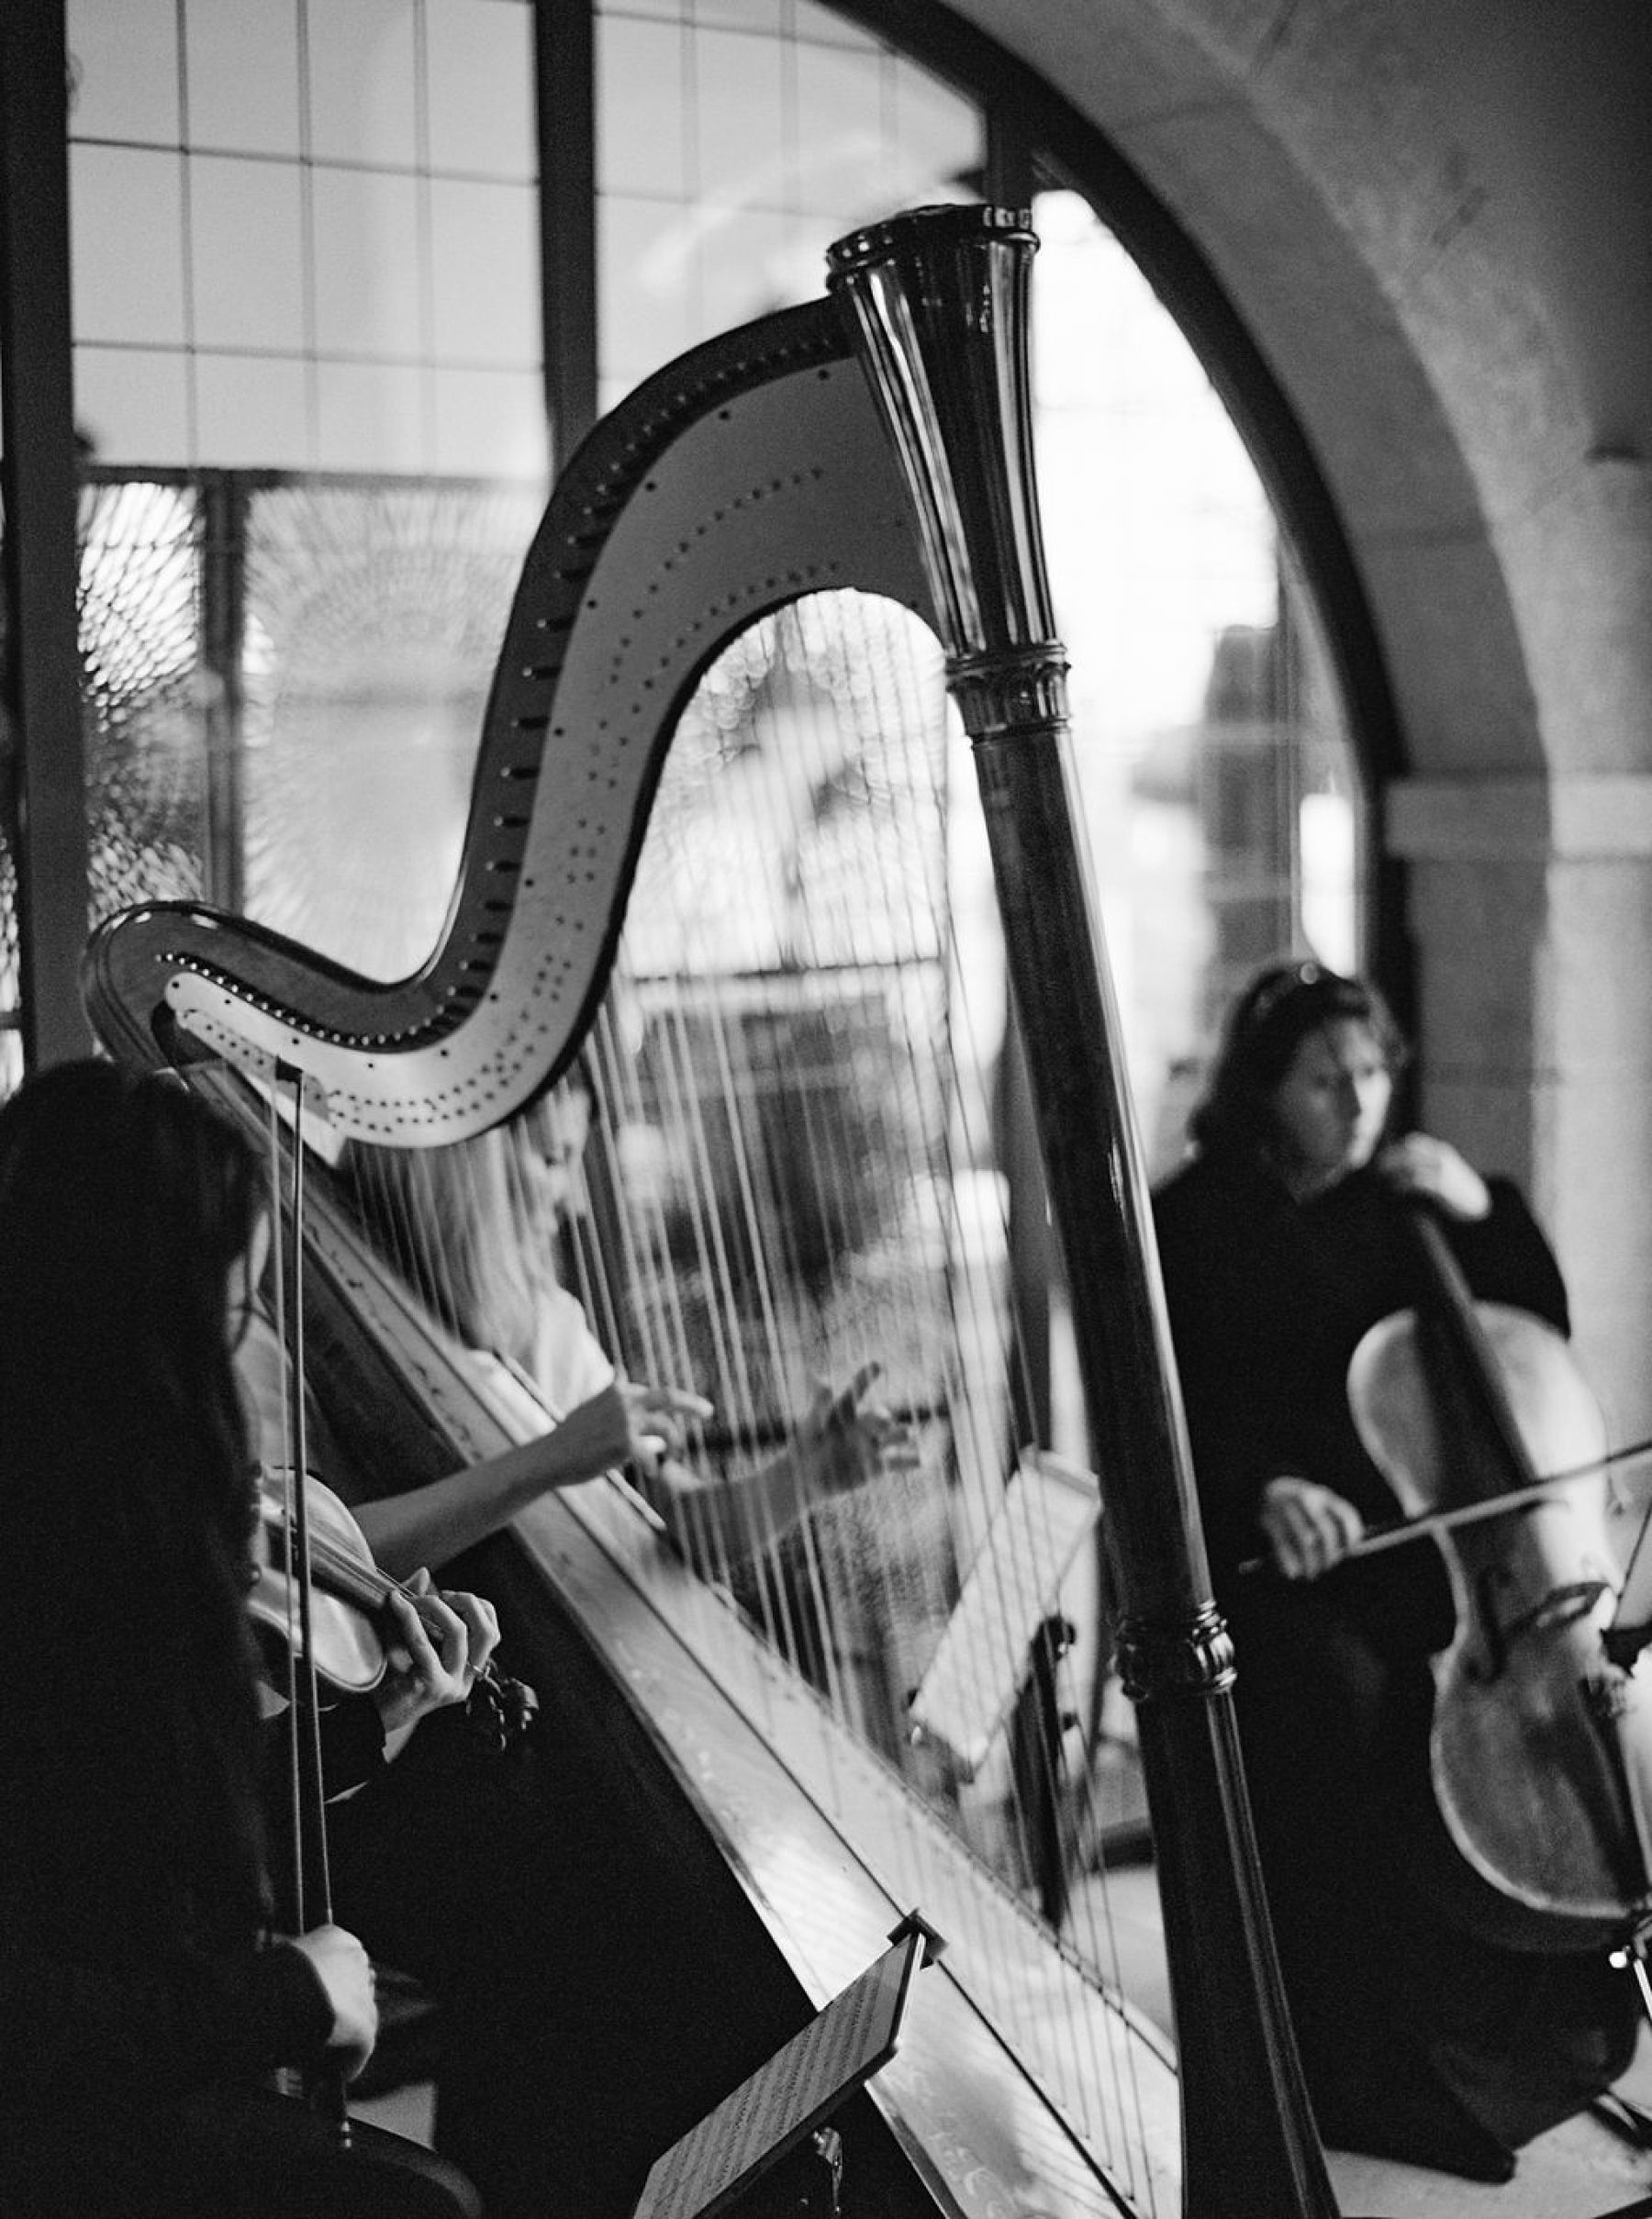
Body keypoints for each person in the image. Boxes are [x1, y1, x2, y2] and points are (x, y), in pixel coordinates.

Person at [1151, 959, 1640, 2181]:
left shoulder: (1404, 1198)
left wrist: (1485, 1208)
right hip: (1284, 1565)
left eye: (1372, 1071)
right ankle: (1357, 2062)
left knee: (1524, 1717)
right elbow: (1174, 1410)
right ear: (1266, 1090)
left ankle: (1537, 2038)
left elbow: (1532, 1336)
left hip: (1447, 1564)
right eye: (1326, 1078)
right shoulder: (1198, 1221)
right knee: (1347, 1702)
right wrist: (1262, 1485)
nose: (1359, 1100)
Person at [0, 1058, 481, 2219]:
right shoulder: (44, 1579)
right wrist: (287, 1996)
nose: (256, 1350)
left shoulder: (101, 1539)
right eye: (233, 1312)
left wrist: (376, 1721)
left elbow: (133, 1844)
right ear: (130, 1333)